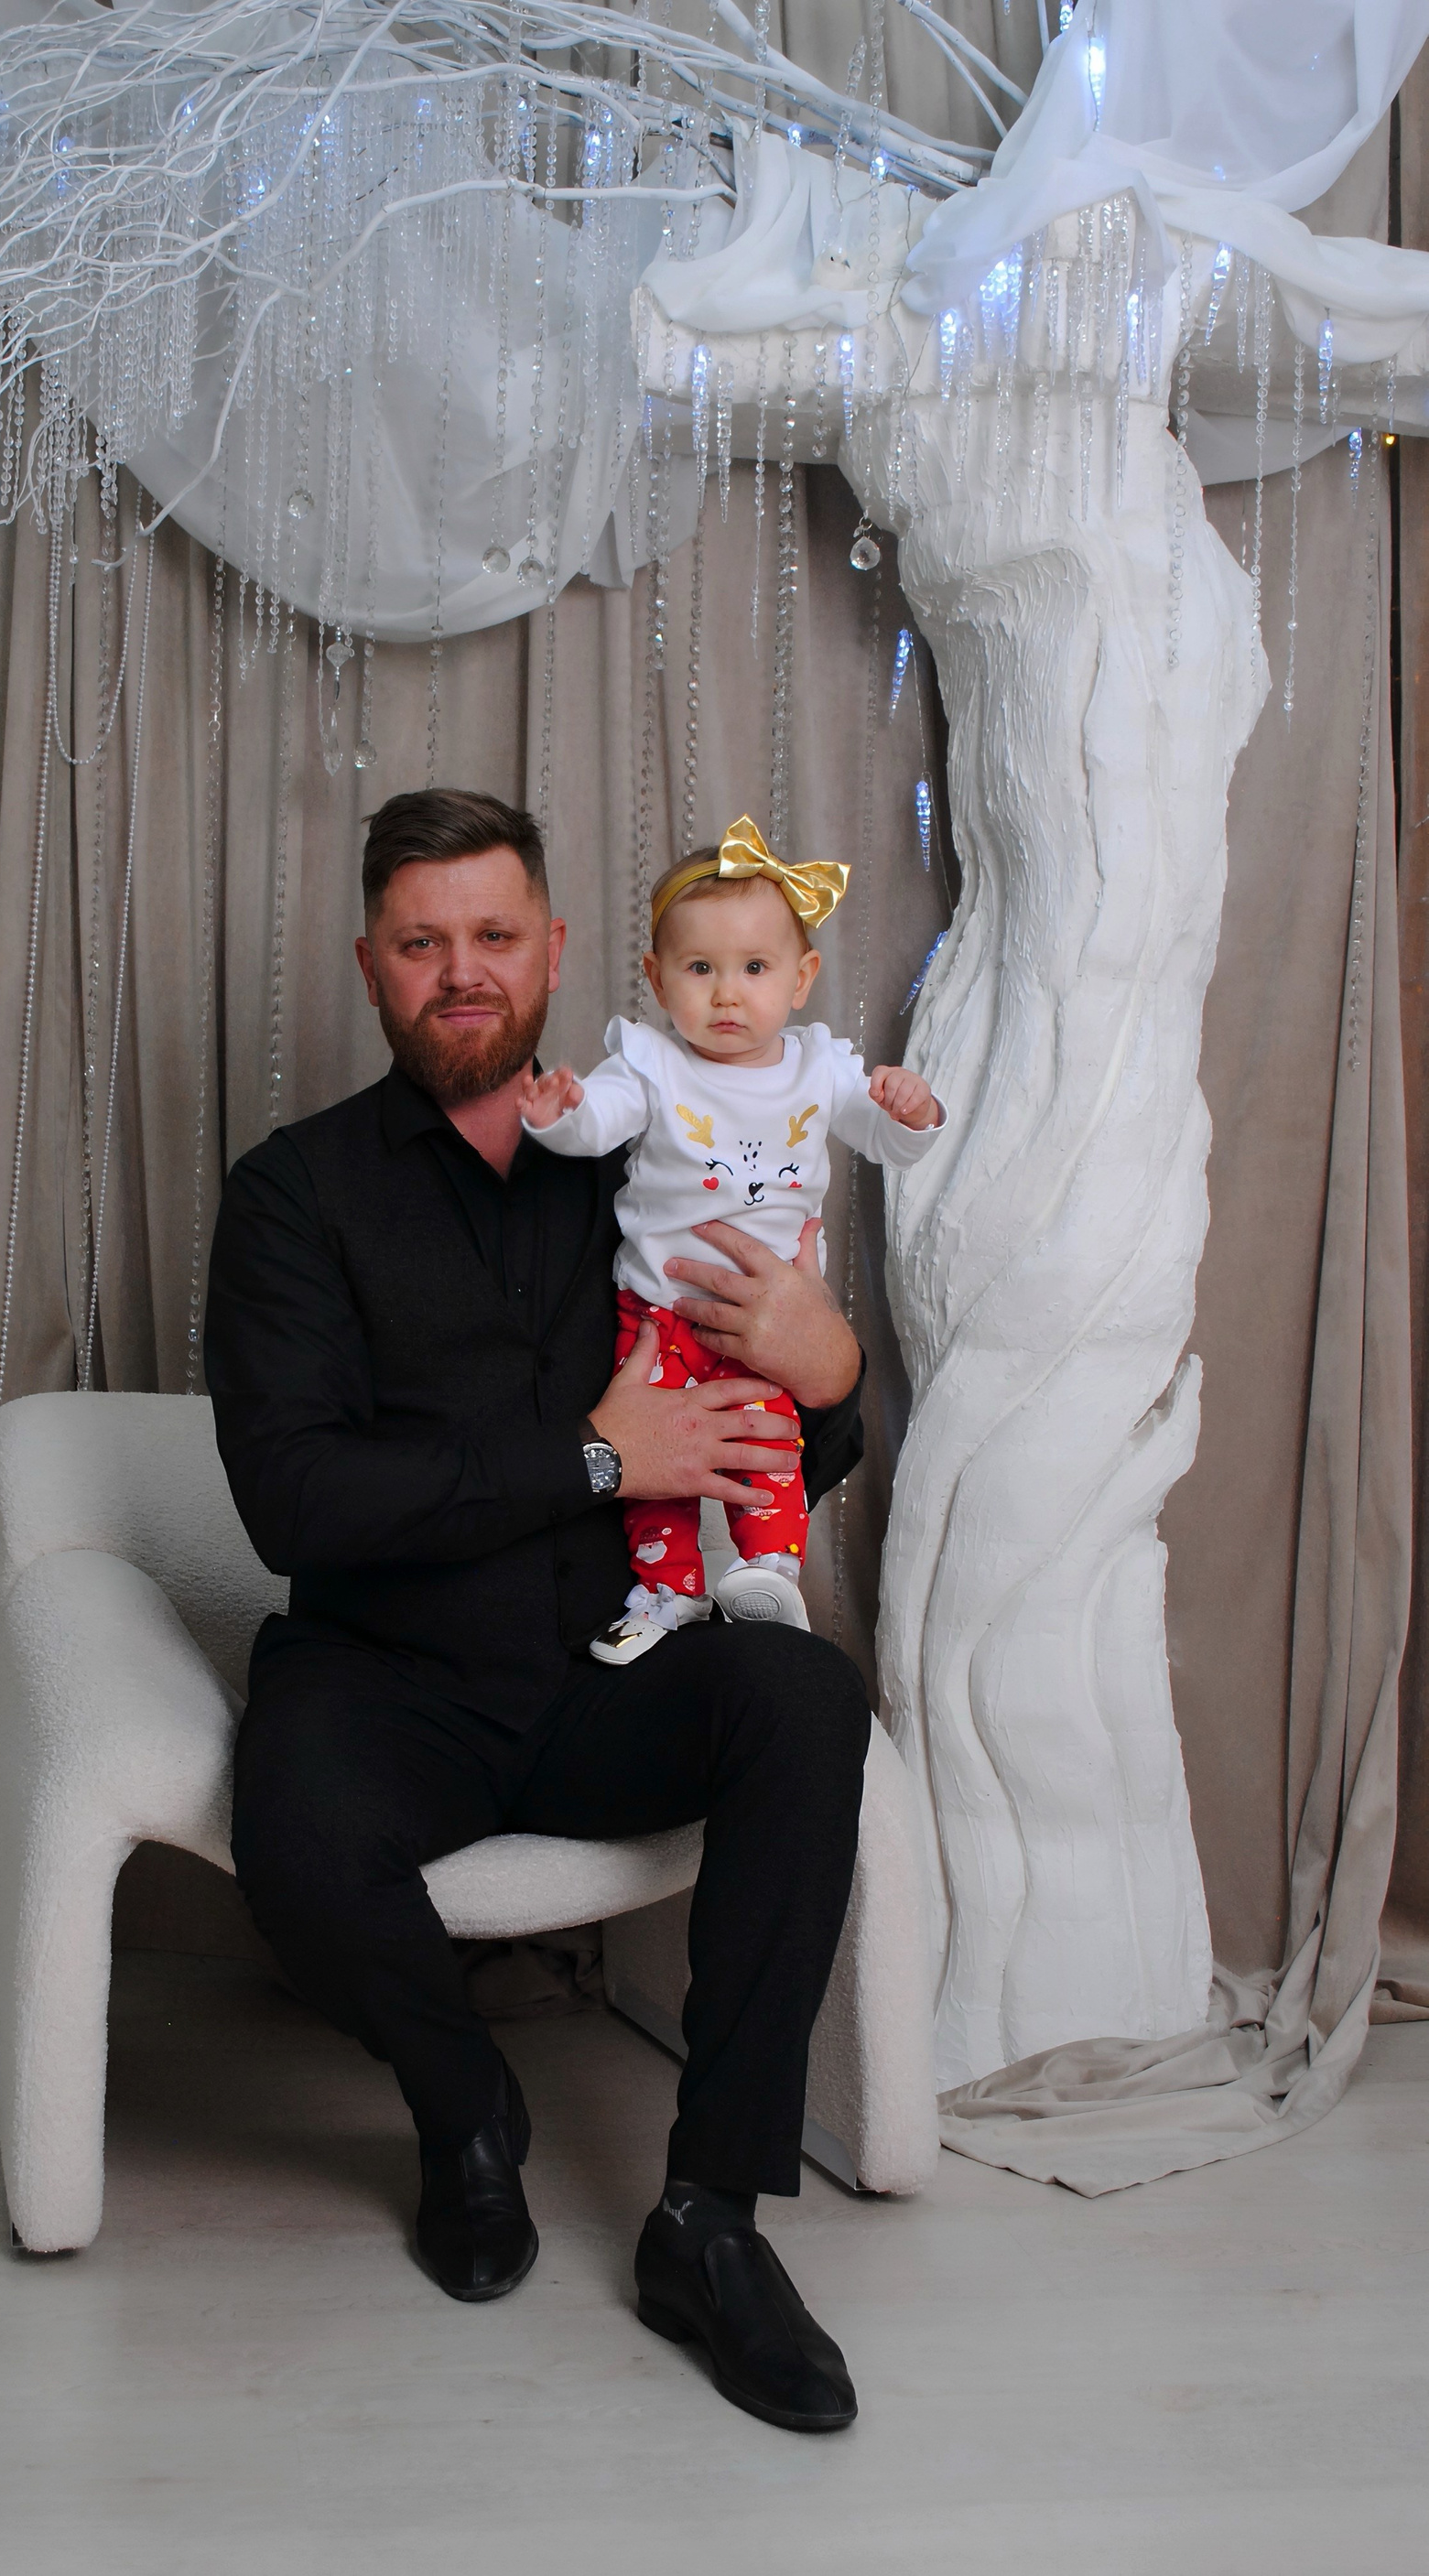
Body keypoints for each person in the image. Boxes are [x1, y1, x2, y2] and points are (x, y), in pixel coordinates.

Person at [205, 788, 877, 2435]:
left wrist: (832, 1370)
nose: (464, 972)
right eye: (422, 943)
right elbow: (297, 1501)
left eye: (495, 935)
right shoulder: (291, 1194)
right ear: (370, 965)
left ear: (560, 952)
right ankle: (466, 2110)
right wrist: (593, 1454)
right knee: (295, 1830)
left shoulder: (653, 1156)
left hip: (612, 1664)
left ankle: (710, 2219)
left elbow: (785, 1434)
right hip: (389, 1676)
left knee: (806, 1700)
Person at [517, 814, 943, 1663]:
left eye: (754, 968)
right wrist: (561, 1114)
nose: (726, 994)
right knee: (653, 1457)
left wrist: (913, 1110)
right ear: (656, 977)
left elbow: (889, 1142)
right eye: (699, 968)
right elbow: (600, 1124)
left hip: (766, 1321)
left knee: (767, 1440)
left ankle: (768, 1574)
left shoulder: (820, 1068)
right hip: (659, 1313)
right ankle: (664, 1591)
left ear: (801, 978)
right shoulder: (652, 1066)